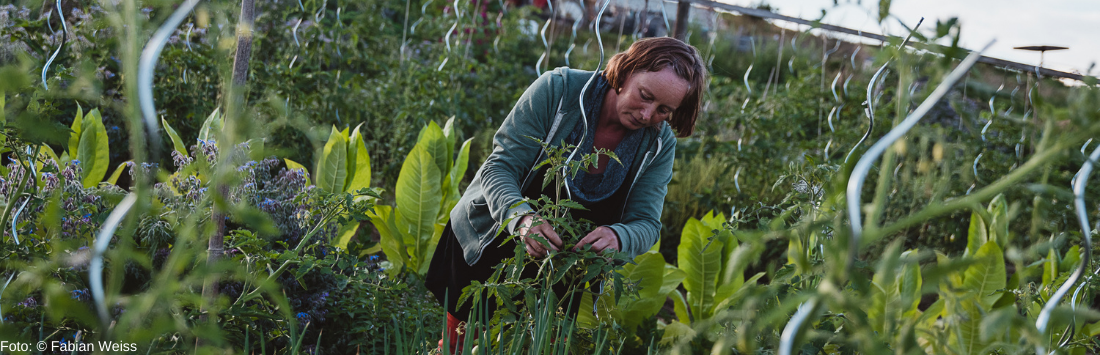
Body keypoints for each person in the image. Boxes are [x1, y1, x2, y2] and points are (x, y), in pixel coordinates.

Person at [425, 36, 707, 352]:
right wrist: (522, 219)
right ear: (626, 71)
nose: (647, 115)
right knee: (459, 343)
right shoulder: (559, 91)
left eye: (663, 110)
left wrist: (619, 237)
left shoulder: (657, 142)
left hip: (564, 270)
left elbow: (646, 223)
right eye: (645, 96)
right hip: (494, 237)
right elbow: (499, 168)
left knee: (537, 344)